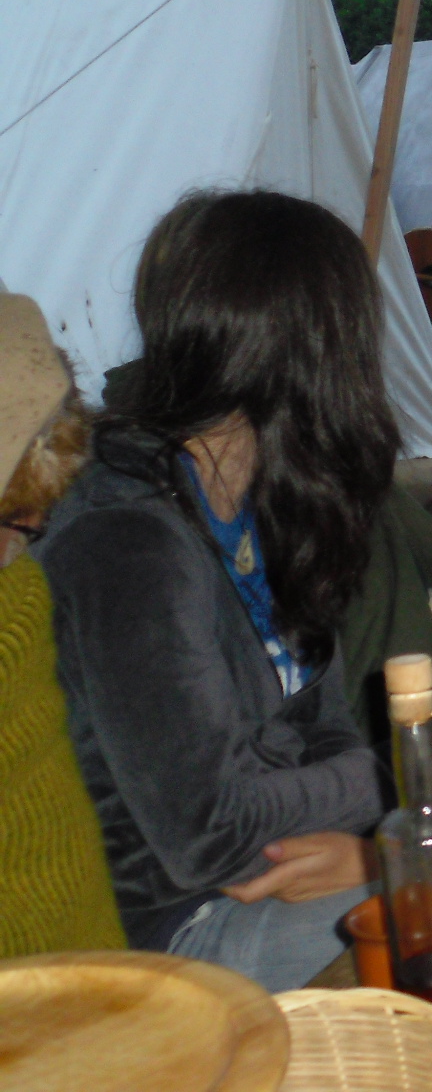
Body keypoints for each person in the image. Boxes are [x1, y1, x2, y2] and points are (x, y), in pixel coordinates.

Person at [40, 193, 387, 990]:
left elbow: (326, 727)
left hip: (275, 877)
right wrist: (382, 788)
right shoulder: (128, 539)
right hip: (172, 935)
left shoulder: (270, 503)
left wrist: (361, 844)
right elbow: (208, 832)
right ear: (309, 347)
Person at [0, 292, 124, 957]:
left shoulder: (18, 594)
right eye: (8, 518)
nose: (17, 545)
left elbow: (55, 854)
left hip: (82, 987)